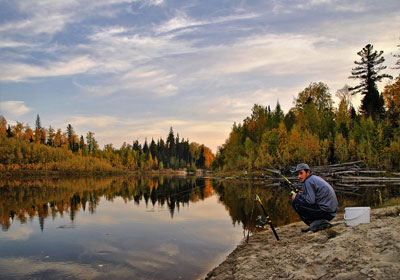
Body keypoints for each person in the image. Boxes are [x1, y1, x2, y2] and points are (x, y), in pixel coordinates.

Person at [291, 163, 338, 232]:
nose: (299, 176)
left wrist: (297, 196)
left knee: (295, 202)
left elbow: (310, 201)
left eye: (301, 173)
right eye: (298, 174)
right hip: (332, 212)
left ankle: (314, 225)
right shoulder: (314, 178)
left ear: (308, 172)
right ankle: (316, 224)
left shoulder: (308, 181)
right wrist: (302, 194)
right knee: (299, 199)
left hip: (327, 213)